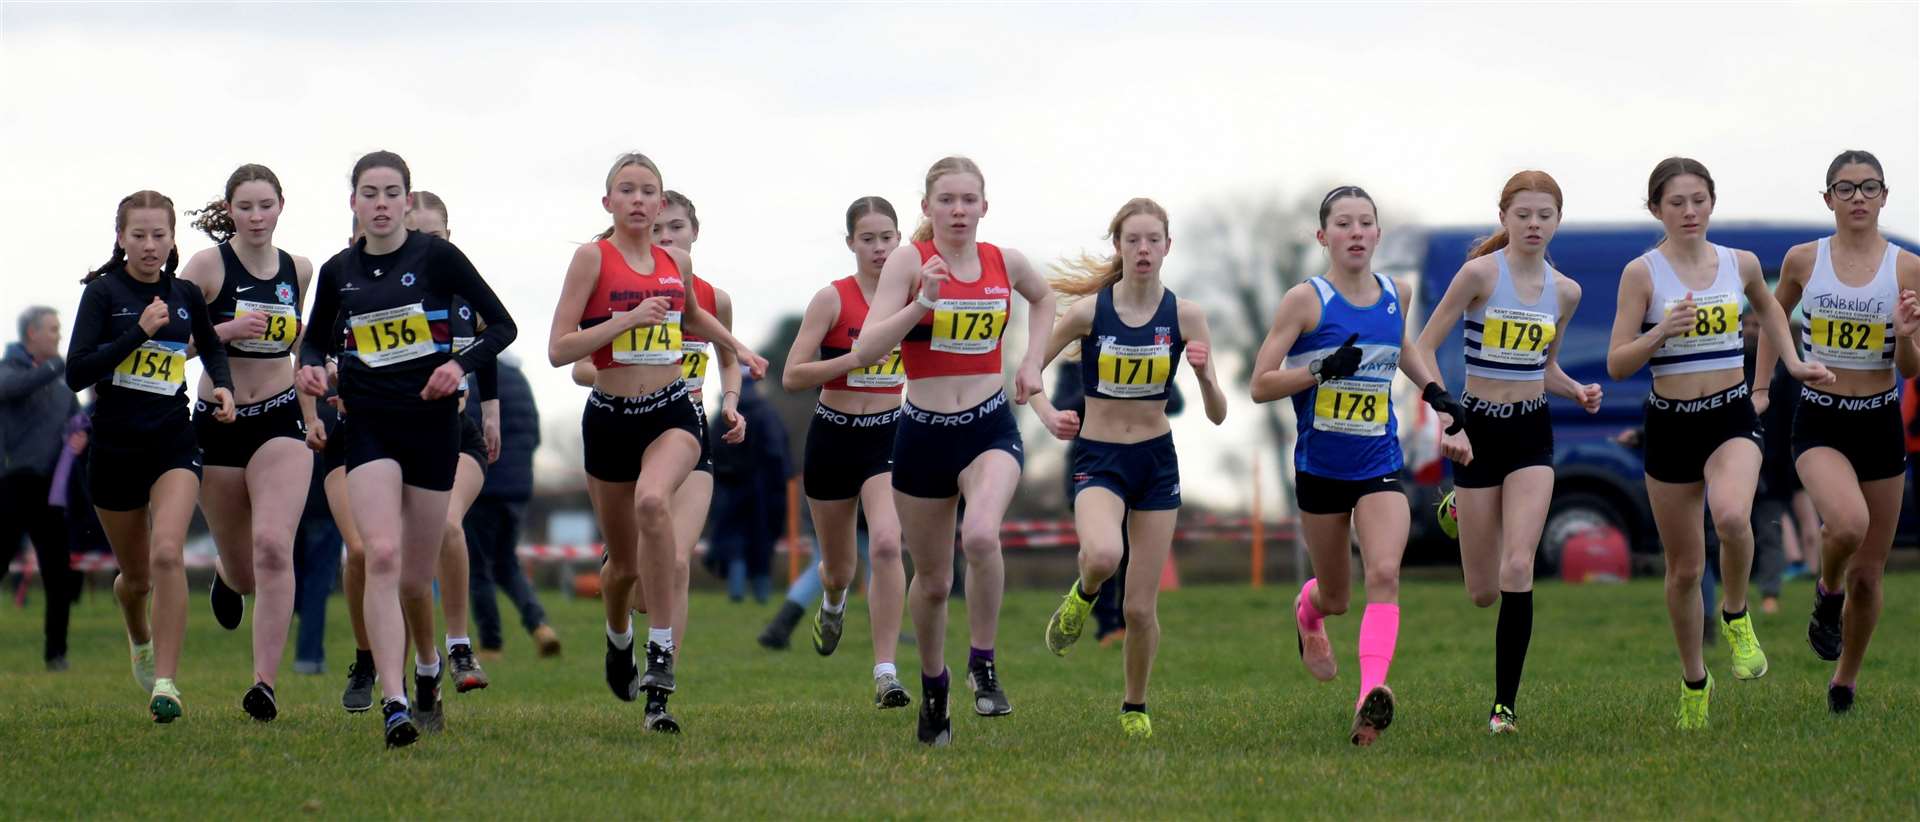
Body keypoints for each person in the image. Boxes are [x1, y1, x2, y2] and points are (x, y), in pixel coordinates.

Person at [298, 151, 518, 748]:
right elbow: (313, 343)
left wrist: (457, 367)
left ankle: (427, 675)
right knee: (380, 555)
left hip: (432, 430)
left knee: (417, 579)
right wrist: (311, 373)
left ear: (406, 200)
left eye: (392, 192)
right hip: (368, 425)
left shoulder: (438, 257)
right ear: (353, 204)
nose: (381, 203)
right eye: (369, 193)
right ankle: (393, 703)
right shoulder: (338, 270)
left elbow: (503, 327)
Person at [1604, 157, 1830, 730]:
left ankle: (1735, 613)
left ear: (1712, 203)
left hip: (1729, 414)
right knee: (1683, 570)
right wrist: (1661, 331)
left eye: (1698, 200)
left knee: (1732, 516)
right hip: (1671, 424)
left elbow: (1771, 310)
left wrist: (1788, 368)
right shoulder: (1643, 274)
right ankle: (1694, 682)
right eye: (1676, 202)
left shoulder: (1741, 262)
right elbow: (1617, 362)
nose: (1689, 211)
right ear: (1656, 208)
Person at [546, 152, 766, 734]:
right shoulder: (592, 259)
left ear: (661, 202)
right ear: (609, 203)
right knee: (621, 569)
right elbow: (559, 349)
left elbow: (694, 318)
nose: (640, 200)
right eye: (628, 190)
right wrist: (627, 321)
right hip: (610, 419)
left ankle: (661, 672)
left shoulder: (677, 261)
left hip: (673, 413)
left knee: (653, 506)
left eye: (649, 192)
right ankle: (619, 638)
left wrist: (737, 351)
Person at [852, 156, 1056, 746]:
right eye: (947, 200)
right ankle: (935, 686)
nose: (959, 210)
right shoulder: (909, 263)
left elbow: (1043, 300)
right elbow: (867, 347)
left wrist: (1030, 361)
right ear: (927, 208)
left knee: (983, 536)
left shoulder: (1004, 262)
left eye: (969, 200)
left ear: (985, 207)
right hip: (921, 435)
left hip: (989, 426)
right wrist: (922, 303)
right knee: (935, 581)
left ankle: (983, 663)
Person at [1251, 185, 1452, 746]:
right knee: (1337, 596)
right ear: (1324, 237)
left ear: (1378, 235)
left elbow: (1402, 347)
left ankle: (1370, 696)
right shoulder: (1304, 301)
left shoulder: (1398, 292)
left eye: (1366, 223)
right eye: (1344, 224)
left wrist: (1437, 394)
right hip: (1320, 469)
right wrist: (1320, 372)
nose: (1356, 232)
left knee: (1384, 574)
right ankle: (1308, 613)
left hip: (1379, 462)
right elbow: (1260, 385)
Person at [1406, 171, 1602, 734]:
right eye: (1523, 215)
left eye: (1545, 215)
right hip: (1476, 433)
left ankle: (1504, 708)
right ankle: (1458, 509)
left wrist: (1576, 390)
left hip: (1531, 435)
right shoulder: (1478, 276)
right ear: (1504, 218)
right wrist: (1449, 417)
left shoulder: (1567, 292)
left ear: (1558, 221)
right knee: (1481, 592)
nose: (1534, 224)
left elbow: (1546, 366)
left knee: (1519, 566)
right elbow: (1422, 349)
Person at [1028, 197, 1228, 739]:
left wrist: (1206, 377)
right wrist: (1048, 414)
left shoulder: (1185, 316)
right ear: (1117, 246)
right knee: (1102, 554)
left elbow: (1217, 413)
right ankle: (1082, 595)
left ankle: (1134, 706)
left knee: (1141, 609)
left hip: (1156, 462)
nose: (1143, 249)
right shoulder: (1090, 313)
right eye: (1132, 240)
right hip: (1099, 457)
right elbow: (1025, 373)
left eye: (1153, 240)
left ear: (1167, 246)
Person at [1754, 149, 1920, 714]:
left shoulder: (1907, 267)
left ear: (1883, 197)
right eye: (1845, 189)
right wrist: (1759, 388)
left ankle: (1844, 683)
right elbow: (1772, 323)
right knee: (1846, 523)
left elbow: (1912, 370)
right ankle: (1827, 593)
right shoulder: (1803, 260)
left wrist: (1905, 336)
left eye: (1868, 188)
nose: (1857, 198)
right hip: (1820, 417)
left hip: (1878, 421)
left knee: (1871, 577)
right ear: (1828, 199)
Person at [66, 190, 236, 722]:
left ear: (171, 239)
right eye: (138, 235)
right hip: (115, 448)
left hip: (172, 442)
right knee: (135, 578)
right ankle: (137, 631)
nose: (149, 245)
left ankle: (166, 683)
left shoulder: (184, 293)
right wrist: (137, 332)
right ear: (120, 238)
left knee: (168, 554)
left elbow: (208, 345)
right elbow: (77, 373)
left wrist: (224, 386)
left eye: (159, 235)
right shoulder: (102, 294)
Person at [180, 163, 317, 722]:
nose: (257, 217)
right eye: (246, 207)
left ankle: (264, 683)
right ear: (229, 210)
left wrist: (316, 394)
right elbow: (172, 347)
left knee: (273, 548)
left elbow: (300, 342)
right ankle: (226, 578)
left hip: (281, 419)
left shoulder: (300, 270)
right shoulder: (208, 267)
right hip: (220, 420)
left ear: (281, 205)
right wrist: (225, 332)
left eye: (266, 205)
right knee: (244, 569)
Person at [763, 195, 912, 707]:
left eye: (887, 237)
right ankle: (832, 601)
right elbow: (792, 375)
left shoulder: (914, 295)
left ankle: (886, 672)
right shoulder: (832, 299)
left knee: (889, 543)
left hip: (889, 434)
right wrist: (853, 359)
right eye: (867, 238)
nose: (878, 248)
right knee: (840, 567)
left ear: (900, 240)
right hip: (832, 436)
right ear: (850, 243)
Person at [403, 191, 497, 696]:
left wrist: (492, 410)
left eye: (435, 236)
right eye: (417, 236)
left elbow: (494, 339)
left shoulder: (462, 288)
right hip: (398, 435)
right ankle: (421, 664)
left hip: (461, 437)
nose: (426, 246)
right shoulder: (386, 292)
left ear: (449, 236)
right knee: (400, 556)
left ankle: (459, 644)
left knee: (446, 524)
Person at [2, 305, 83, 672]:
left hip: (51, 490)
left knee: (58, 573)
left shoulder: (62, 383)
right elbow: (16, 388)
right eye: (52, 329)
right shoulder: (9, 370)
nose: (58, 335)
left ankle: (57, 654)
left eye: (59, 328)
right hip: (12, 485)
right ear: (31, 334)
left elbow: (74, 419)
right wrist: (58, 365)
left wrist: (81, 436)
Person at [464, 353, 559, 660]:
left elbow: (465, 430)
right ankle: (540, 625)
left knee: (478, 569)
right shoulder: (520, 380)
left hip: (483, 487)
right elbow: (535, 436)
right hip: (518, 489)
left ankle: (491, 645)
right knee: (507, 564)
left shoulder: (474, 379)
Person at [702, 370, 789, 602]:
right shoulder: (766, 413)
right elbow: (777, 454)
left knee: (733, 541)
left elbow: (709, 451)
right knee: (762, 540)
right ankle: (762, 595)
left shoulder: (720, 417)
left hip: (727, 487)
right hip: (762, 488)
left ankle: (736, 592)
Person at [290, 398, 343, 674]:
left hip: (293, 507)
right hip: (327, 508)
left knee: (295, 580)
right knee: (317, 587)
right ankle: (309, 658)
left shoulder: (292, 403)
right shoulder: (338, 406)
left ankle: (310, 651)